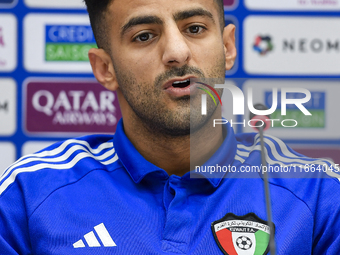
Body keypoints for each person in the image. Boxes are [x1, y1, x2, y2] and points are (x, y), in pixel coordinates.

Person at [0, 0, 339, 254]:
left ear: (227, 47)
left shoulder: (319, 195)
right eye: (144, 35)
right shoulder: (26, 195)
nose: (177, 52)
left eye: (194, 28)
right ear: (105, 68)